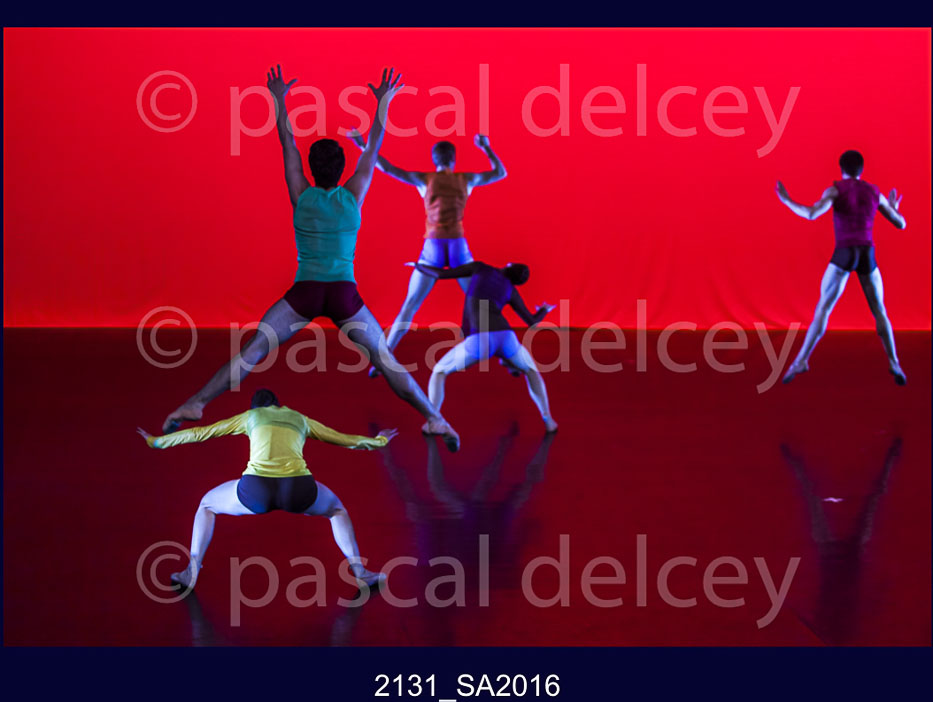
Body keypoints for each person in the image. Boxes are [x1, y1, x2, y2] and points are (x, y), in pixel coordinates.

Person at [161, 65, 460, 451]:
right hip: (343, 295)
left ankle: (197, 403)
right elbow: (373, 147)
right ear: (341, 170)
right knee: (384, 358)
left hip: (305, 292)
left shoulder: (300, 194)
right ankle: (435, 417)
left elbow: (286, 142)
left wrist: (278, 98)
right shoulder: (353, 195)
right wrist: (383, 101)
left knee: (254, 350)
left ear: (311, 169)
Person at [139, 388, 396, 590]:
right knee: (337, 510)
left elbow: (201, 433)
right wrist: (380, 440)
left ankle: (191, 571)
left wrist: (156, 442)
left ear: (256, 408)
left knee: (207, 505)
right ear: (278, 405)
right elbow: (344, 439)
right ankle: (360, 571)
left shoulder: (251, 417)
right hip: (298, 488)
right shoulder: (299, 418)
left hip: (256, 490)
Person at [347, 132, 507, 373]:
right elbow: (500, 173)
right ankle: (507, 354)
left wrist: (362, 144)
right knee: (481, 302)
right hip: (458, 247)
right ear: (453, 159)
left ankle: (383, 362)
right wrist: (486, 147)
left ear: (434, 160)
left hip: (433, 247)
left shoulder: (424, 179)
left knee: (410, 305)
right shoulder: (466, 179)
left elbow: (387, 168)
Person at [775, 150, 907, 385]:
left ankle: (801, 360)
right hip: (867, 253)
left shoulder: (836, 190)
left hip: (844, 253)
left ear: (841, 168)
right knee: (880, 311)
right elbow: (901, 224)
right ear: (862, 169)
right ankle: (894, 362)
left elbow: (811, 214)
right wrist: (894, 208)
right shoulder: (874, 192)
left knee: (823, 309)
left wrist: (787, 200)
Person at [413, 260, 558, 432]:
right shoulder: (510, 290)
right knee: (531, 370)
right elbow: (531, 321)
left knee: (439, 371)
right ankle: (548, 419)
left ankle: (434, 421)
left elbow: (441, 274)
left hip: (480, 339)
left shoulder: (480, 268)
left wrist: (418, 265)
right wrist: (544, 310)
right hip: (505, 337)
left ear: (509, 265)